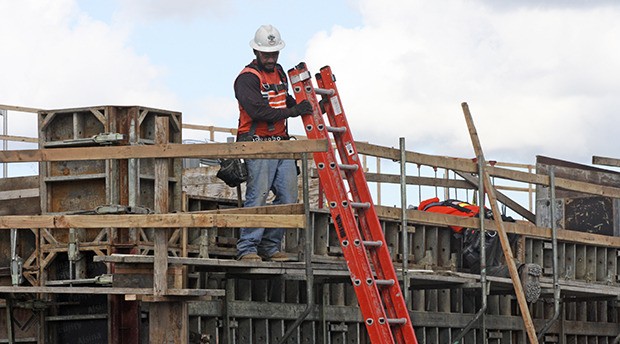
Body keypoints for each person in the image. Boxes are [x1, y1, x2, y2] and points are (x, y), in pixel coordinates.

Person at [233, 24, 313, 262]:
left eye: (274, 53)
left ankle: (270, 246)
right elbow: (258, 111)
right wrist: (293, 111)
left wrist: (299, 105)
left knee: (288, 198)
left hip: (281, 144)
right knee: (257, 196)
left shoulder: (279, 73)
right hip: (257, 143)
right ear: (257, 52)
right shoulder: (247, 79)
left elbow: (283, 101)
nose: (270, 57)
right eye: (267, 53)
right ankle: (247, 248)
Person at [417, 197, 541, 302]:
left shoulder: (429, 210)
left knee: (481, 273)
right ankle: (521, 271)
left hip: (482, 232)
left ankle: (520, 270)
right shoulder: (451, 203)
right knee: (493, 266)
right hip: (497, 224)